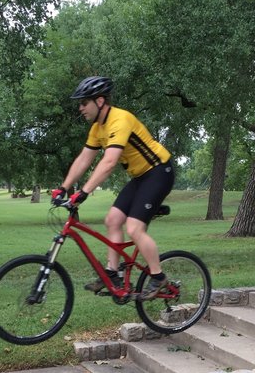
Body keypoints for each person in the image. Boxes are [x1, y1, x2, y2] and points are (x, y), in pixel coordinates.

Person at [52, 76, 175, 300]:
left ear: (99, 101)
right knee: (112, 220)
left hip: (159, 172)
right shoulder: (97, 128)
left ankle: (158, 278)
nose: (80, 108)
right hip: (139, 177)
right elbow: (83, 159)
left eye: (83, 103)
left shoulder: (120, 120)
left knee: (135, 228)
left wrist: (84, 192)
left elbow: (109, 162)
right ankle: (113, 274)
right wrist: (63, 187)